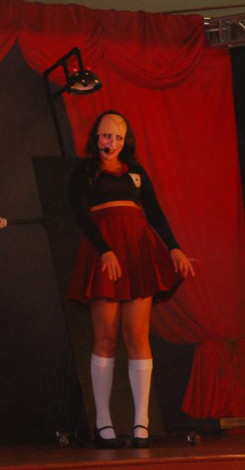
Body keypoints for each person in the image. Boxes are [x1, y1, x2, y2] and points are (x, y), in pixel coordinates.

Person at [66, 111, 195, 449]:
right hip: (104, 253)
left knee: (137, 336)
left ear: (126, 142)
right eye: (106, 135)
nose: (111, 142)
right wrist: (105, 251)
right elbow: (82, 215)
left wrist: (174, 248)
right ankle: (104, 423)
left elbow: (155, 212)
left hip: (137, 252)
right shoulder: (84, 173)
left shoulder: (136, 173)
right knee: (106, 338)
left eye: (118, 137)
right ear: (96, 137)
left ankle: (141, 423)